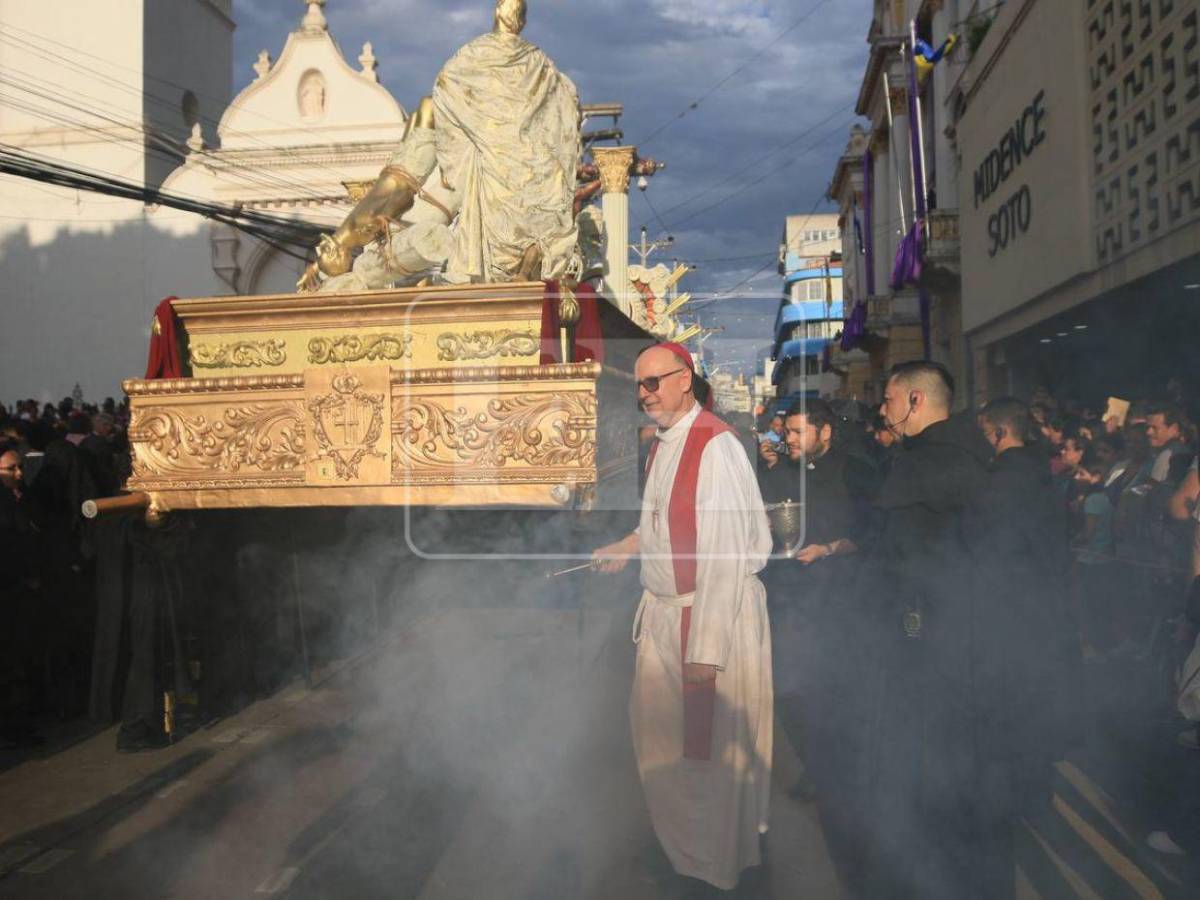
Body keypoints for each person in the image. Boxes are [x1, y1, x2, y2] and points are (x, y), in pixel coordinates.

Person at [592, 342, 772, 893]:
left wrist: (705, 653)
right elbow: (665, 522)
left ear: (685, 380)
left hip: (705, 621)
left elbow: (723, 555)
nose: (645, 394)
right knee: (662, 746)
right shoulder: (665, 444)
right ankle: (683, 854)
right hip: (669, 619)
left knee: (706, 758)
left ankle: (711, 871)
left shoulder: (714, 446)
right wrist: (628, 544)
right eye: (640, 386)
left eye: (655, 383)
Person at [857, 361, 1000, 900]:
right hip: (966, 637)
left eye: (889, 400)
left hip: (928, 646)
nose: (884, 410)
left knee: (928, 780)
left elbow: (896, 557)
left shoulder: (929, 463)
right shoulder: (966, 454)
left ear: (916, 401)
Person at [972, 398, 1077, 814]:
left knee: (1011, 704)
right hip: (1047, 605)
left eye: (984, 432)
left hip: (1009, 610)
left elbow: (983, 547)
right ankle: (1038, 790)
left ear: (997, 433)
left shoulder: (997, 482)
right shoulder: (1044, 476)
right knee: (1040, 701)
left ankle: (1016, 795)